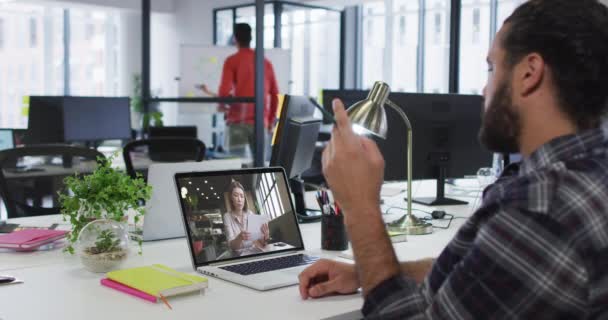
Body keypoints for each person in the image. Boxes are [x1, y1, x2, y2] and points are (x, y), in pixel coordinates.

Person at [298, 0, 608, 318]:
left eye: (492, 68)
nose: (485, 88)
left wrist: (361, 208)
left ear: (529, 73)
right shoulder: (590, 173)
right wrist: (365, 272)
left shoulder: (540, 209)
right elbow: (481, 274)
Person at [200, 23, 280, 157]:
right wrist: (270, 120)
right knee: (262, 168)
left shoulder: (232, 61)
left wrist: (221, 106)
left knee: (238, 168)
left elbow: (224, 92)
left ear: (235, 38)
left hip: (238, 123)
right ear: (251, 38)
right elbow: (275, 95)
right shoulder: (265, 62)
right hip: (261, 123)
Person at [223, 181, 270, 252]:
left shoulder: (250, 214)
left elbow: (261, 243)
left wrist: (265, 236)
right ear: (231, 198)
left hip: (252, 252)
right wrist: (239, 238)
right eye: (236, 195)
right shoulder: (227, 217)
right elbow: (232, 247)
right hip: (238, 256)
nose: (239, 199)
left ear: (244, 199)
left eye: (242, 196)